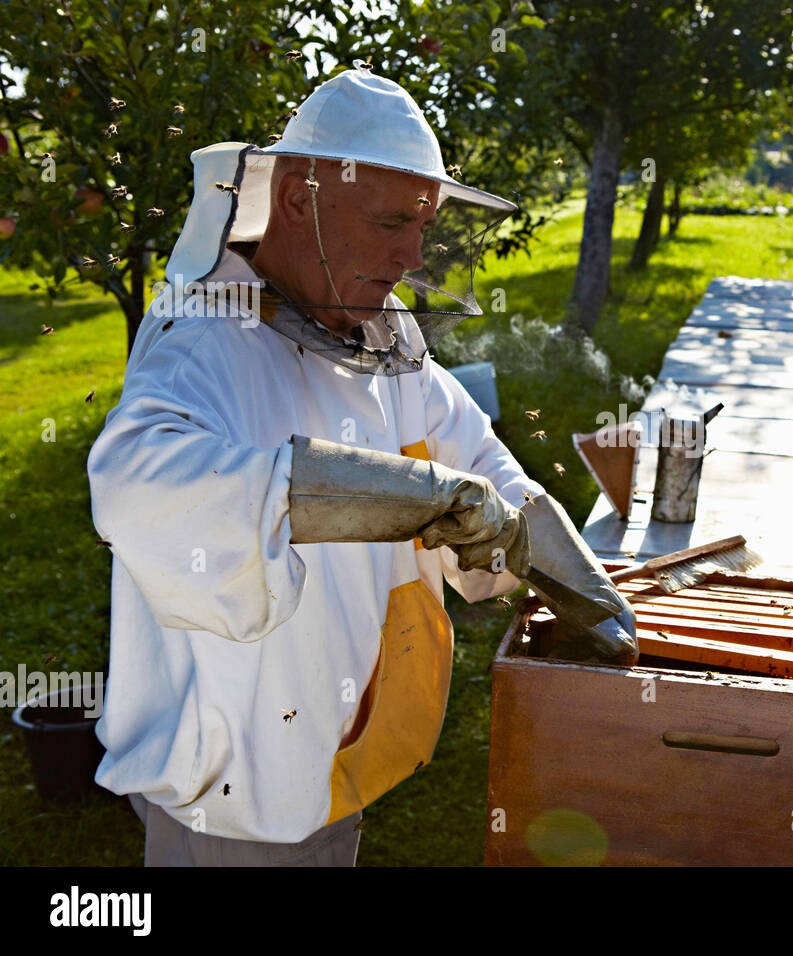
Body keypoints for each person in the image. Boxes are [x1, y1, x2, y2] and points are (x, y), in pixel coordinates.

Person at [86, 69, 636, 867]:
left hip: (335, 763)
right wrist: (421, 498)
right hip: (236, 803)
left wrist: (567, 568)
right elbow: (138, 480)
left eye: (424, 225)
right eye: (390, 223)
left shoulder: (380, 329)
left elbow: (474, 453)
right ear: (302, 199)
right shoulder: (204, 336)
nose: (412, 255)